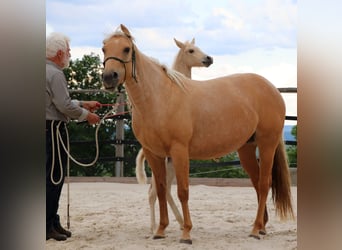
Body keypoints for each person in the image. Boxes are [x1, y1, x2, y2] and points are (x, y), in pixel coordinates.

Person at [46, 32, 101, 241]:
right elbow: (63, 105)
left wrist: (82, 104)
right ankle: (47, 225)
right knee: (53, 178)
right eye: (68, 51)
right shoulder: (55, 73)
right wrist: (88, 115)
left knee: (51, 178)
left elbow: (59, 101)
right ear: (59, 53)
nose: (69, 54)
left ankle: (51, 221)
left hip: (47, 128)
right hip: (52, 130)